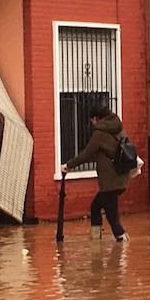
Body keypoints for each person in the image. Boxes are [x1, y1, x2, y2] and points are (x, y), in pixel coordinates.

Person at [60, 104, 131, 242]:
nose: (91, 124)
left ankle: (122, 246)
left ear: (96, 118)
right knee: (96, 207)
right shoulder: (118, 128)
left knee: (112, 217)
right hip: (122, 177)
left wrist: (68, 166)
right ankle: (96, 243)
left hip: (110, 181)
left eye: (91, 120)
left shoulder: (100, 133)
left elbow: (86, 154)